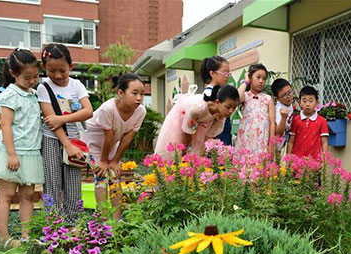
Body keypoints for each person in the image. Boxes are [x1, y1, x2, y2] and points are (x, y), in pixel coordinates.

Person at [0, 49, 43, 247]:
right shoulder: (10, 95)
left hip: (30, 151)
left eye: (35, 76)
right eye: (27, 77)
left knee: (28, 196)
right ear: (13, 74)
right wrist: (12, 155)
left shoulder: (34, 94)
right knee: (6, 195)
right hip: (11, 151)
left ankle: (26, 237)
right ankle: (4, 239)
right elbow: (5, 125)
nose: (32, 81)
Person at [36, 43, 93, 224]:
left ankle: (73, 223)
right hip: (52, 140)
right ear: (44, 68)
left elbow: (88, 111)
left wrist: (62, 119)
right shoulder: (43, 88)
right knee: (53, 183)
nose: (58, 75)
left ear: (71, 66)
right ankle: (53, 225)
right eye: (52, 71)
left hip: (75, 140)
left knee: (73, 183)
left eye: (62, 70)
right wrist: (66, 144)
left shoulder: (77, 85)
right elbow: (50, 121)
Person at [81, 74, 146, 218]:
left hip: (111, 144)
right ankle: (103, 221)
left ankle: (116, 221)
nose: (139, 98)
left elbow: (127, 138)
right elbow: (108, 136)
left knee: (116, 176)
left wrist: (116, 161)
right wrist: (104, 161)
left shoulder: (141, 111)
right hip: (91, 144)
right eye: (134, 93)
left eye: (142, 94)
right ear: (121, 93)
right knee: (102, 177)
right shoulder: (108, 108)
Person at [154, 84, 239, 160]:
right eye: (228, 107)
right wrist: (187, 148)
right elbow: (187, 130)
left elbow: (209, 136)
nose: (231, 111)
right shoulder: (198, 108)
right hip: (181, 122)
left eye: (234, 108)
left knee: (195, 155)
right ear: (217, 102)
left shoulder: (221, 114)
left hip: (200, 127)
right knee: (174, 153)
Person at [235, 63, 275, 155]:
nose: (261, 81)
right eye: (258, 77)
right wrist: (245, 81)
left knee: (260, 167)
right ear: (250, 78)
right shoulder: (245, 96)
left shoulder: (268, 99)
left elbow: (272, 123)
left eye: (264, 79)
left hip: (261, 141)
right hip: (245, 140)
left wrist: (271, 145)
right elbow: (236, 99)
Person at [286, 86, 329, 158]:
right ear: (300, 103)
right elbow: (291, 142)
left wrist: (324, 162)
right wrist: (288, 160)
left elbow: (324, 143)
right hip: (297, 163)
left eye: (311, 101)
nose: (307, 104)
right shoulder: (295, 120)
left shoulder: (322, 121)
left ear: (317, 102)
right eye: (304, 101)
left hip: (315, 163)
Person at [200, 55, 233, 146]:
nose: (227, 76)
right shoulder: (209, 93)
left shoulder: (219, 91)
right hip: (214, 138)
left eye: (228, 73)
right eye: (224, 72)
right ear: (212, 73)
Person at [271, 78, 294, 151]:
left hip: (283, 144)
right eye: (284, 95)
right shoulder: (278, 110)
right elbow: (278, 133)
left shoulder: (288, 103)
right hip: (275, 147)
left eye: (290, 92)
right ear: (277, 99)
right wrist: (284, 118)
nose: (289, 96)